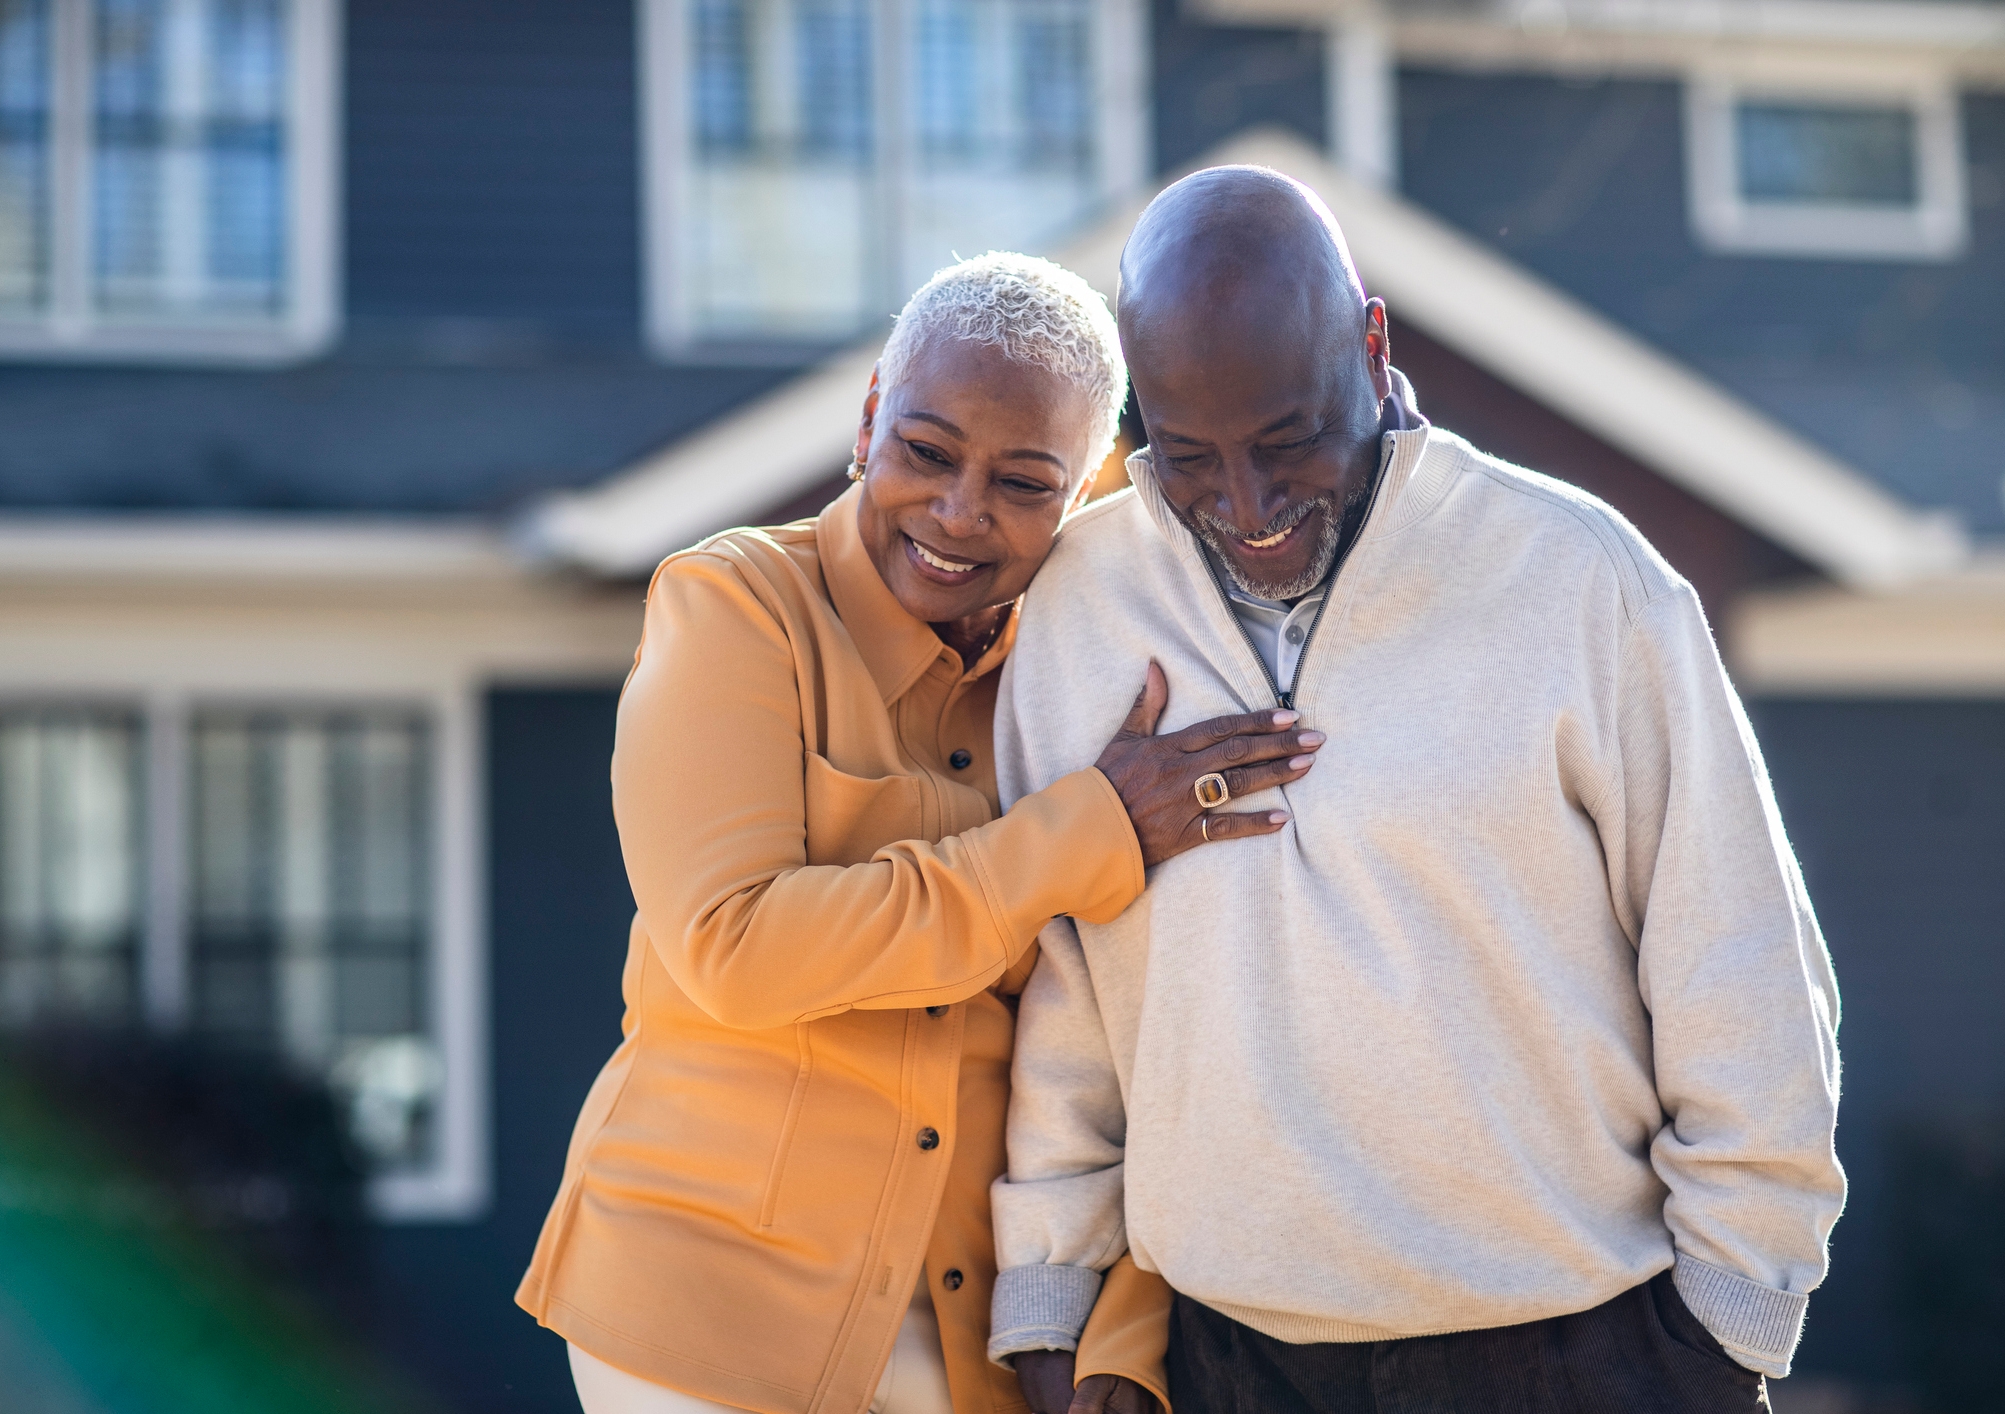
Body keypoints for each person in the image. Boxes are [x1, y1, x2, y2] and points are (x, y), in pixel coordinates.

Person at [986, 169, 1844, 1413]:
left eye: (1287, 443)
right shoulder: (1077, 608)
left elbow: (1742, 960)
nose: (1248, 506)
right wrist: (1054, 1305)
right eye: (1188, 459)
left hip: (1581, 1356)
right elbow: (1071, 983)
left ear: (1373, 345)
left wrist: (1727, 1322)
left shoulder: (1583, 579)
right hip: (1227, 1363)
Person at [516, 252, 1328, 1414]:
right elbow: (736, 947)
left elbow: (1144, 1032)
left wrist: (1120, 1334)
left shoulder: (1083, 682)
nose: (959, 513)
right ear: (868, 423)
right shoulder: (736, 607)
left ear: (1086, 489)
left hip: (965, 1332)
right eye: (928, 452)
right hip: (701, 1308)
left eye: (1022, 482)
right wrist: (1083, 830)